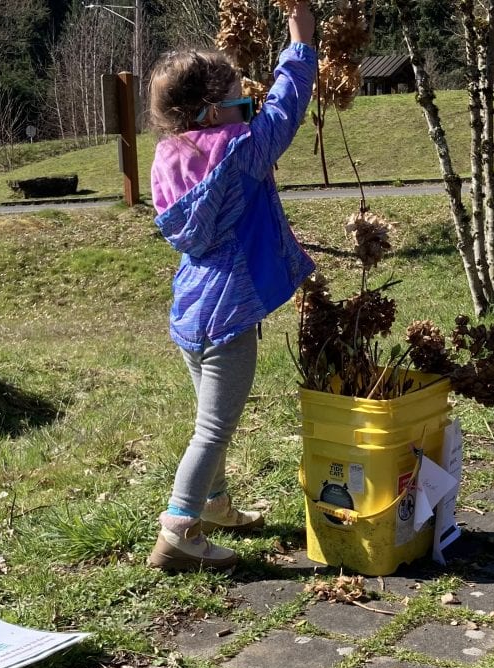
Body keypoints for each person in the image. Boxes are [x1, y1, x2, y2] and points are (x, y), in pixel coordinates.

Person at [146, 2, 317, 572]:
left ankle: (215, 504)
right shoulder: (242, 151)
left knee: (206, 414)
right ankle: (178, 530)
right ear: (213, 110)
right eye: (242, 103)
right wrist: (300, 32)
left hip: (190, 307)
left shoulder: (167, 159)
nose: (251, 110)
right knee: (213, 426)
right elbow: (289, 103)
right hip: (231, 311)